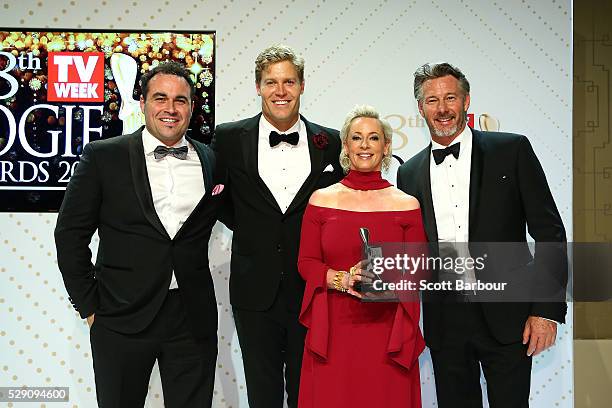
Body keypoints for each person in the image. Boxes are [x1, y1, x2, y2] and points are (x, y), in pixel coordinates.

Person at [397, 62, 568, 408]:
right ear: (420, 108)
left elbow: (549, 231)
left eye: (450, 98)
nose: (442, 109)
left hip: (509, 317)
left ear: (466, 100)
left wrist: (546, 310)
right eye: (431, 100)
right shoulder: (409, 172)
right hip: (446, 320)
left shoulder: (512, 150)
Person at [54, 61, 222, 408]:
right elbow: (70, 233)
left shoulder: (210, 160)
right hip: (120, 313)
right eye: (160, 98)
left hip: (191, 316)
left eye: (180, 100)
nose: (170, 109)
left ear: (191, 107)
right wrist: (89, 305)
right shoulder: (104, 156)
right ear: (142, 102)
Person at [211, 44, 344, 408]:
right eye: (271, 82)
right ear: (257, 87)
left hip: (314, 292)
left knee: (312, 392)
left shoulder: (332, 142)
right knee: (262, 392)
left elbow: (344, 208)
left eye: (288, 81)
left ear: (302, 85)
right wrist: (256, 230)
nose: (280, 91)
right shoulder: (227, 138)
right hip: (254, 291)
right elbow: (217, 201)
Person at [297, 105, 426, 407]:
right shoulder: (321, 199)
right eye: (356, 138)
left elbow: (419, 270)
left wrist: (386, 277)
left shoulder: (407, 204)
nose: (365, 145)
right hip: (334, 328)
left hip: (388, 328)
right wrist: (343, 279)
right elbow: (306, 263)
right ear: (345, 146)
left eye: (373, 138)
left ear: (386, 147)